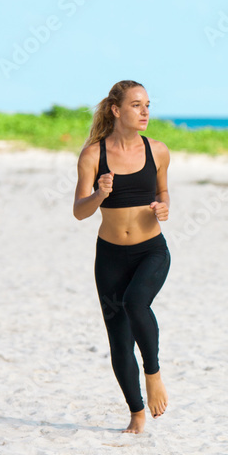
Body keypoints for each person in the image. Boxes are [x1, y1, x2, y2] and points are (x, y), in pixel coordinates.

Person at [73, 80, 172, 434]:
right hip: (111, 256)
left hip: (151, 250)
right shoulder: (93, 155)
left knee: (135, 302)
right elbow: (79, 211)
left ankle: (154, 373)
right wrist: (99, 194)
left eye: (147, 105)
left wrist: (163, 208)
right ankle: (136, 415)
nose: (145, 112)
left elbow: (163, 192)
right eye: (136, 105)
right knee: (118, 340)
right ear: (116, 110)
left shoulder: (157, 150)